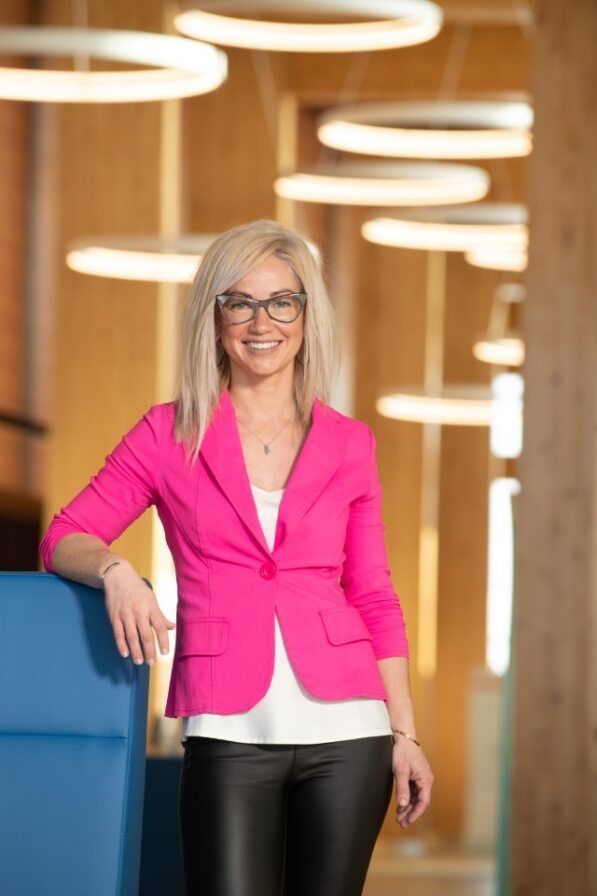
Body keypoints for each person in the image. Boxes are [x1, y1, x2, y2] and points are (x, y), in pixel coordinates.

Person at [39, 218, 434, 896]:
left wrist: (404, 732)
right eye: (239, 302)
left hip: (350, 731)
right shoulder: (167, 434)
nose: (262, 321)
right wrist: (116, 572)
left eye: (282, 301)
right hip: (227, 726)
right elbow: (65, 534)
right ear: (213, 317)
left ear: (306, 316)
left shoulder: (349, 443)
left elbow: (372, 591)